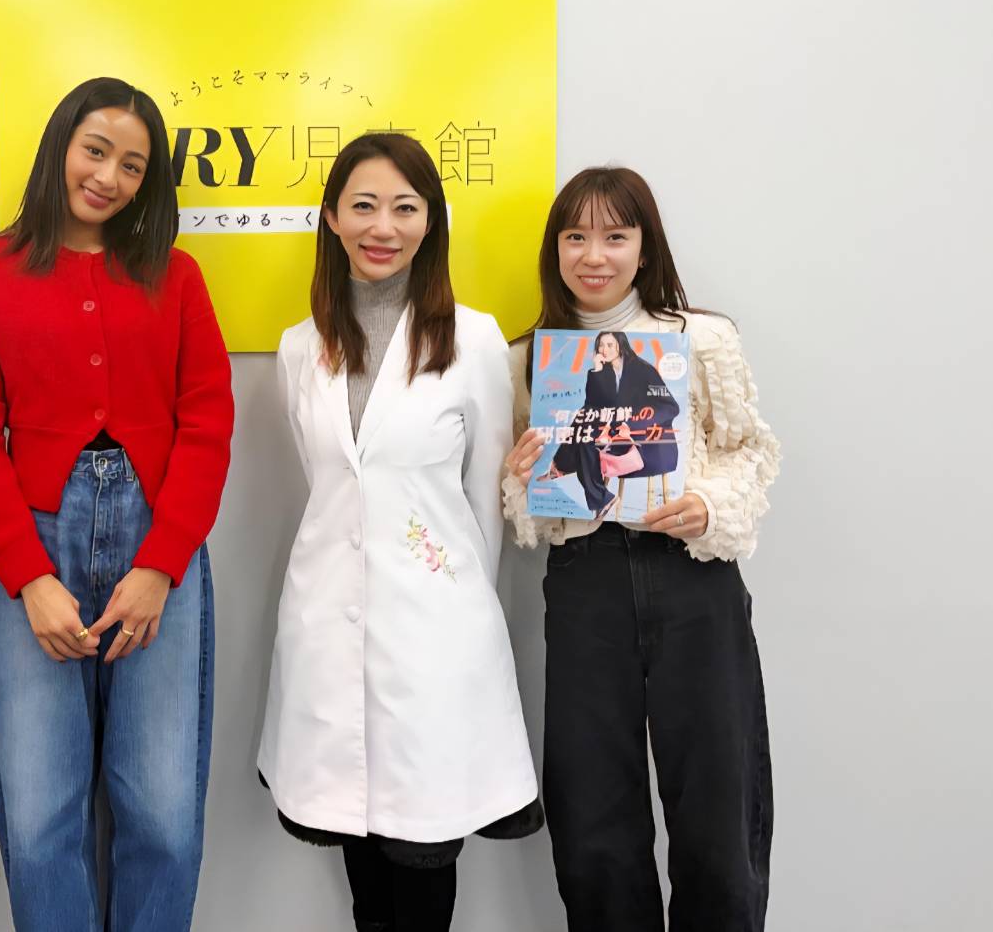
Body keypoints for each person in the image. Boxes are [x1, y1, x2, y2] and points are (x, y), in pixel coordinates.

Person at [0, 77, 234, 932]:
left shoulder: (175, 276)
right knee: (38, 820)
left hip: (159, 544)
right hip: (30, 543)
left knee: (163, 814)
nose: (108, 177)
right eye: (95, 151)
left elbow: (208, 421)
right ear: (59, 145)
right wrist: (28, 578)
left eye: (132, 165)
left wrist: (160, 566)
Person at [258, 133, 542, 932]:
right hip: (326, 622)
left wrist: (447, 596)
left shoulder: (474, 340)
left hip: (435, 634)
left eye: (404, 208)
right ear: (331, 217)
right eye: (363, 205)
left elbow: (483, 501)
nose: (382, 226)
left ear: (430, 221)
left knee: (422, 854)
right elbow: (330, 487)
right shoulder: (299, 347)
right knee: (358, 849)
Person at [503, 166, 781, 931]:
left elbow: (748, 450)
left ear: (643, 245)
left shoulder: (700, 339)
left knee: (716, 796)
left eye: (614, 236)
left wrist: (708, 505)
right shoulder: (530, 357)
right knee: (591, 805)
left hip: (691, 576)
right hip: (584, 580)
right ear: (554, 250)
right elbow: (525, 503)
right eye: (575, 236)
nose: (593, 255)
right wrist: (522, 479)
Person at [543, 329, 681, 520]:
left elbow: (670, 407)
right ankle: (597, 495)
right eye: (600, 345)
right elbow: (593, 404)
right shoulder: (605, 370)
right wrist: (597, 371)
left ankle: (562, 467)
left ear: (621, 346)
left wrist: (632, 425)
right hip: (612, 433)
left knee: (585, 435)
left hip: (643, 439)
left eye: (609, 345)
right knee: (586, 422)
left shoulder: (643, 370)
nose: (604, 350)